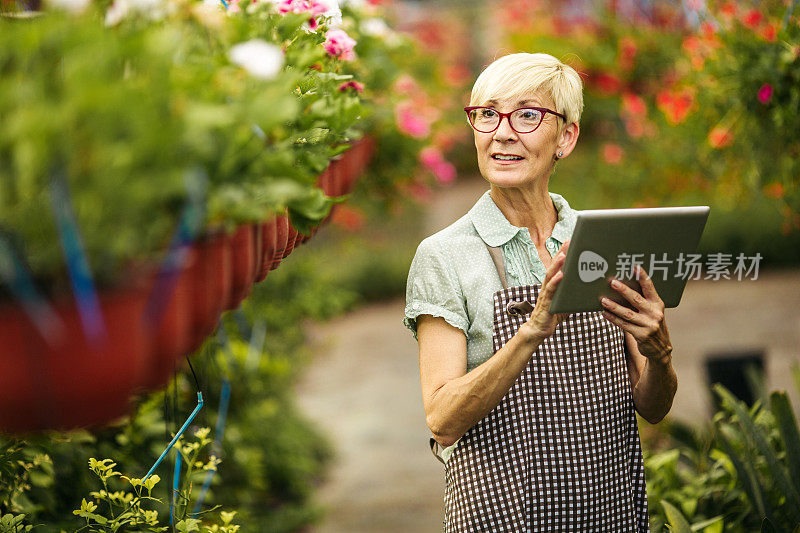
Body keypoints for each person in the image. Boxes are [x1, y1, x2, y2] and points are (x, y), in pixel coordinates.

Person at [403, 52, 677, 532]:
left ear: (565, 138)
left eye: (527, 115)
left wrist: (660, 355)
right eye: (487, 114)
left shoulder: (604, 242)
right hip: (502, 519)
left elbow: (652, 408)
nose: (502, 132)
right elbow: (442, 419)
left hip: (610, 515)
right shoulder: (444, 255)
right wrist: (532, 329)